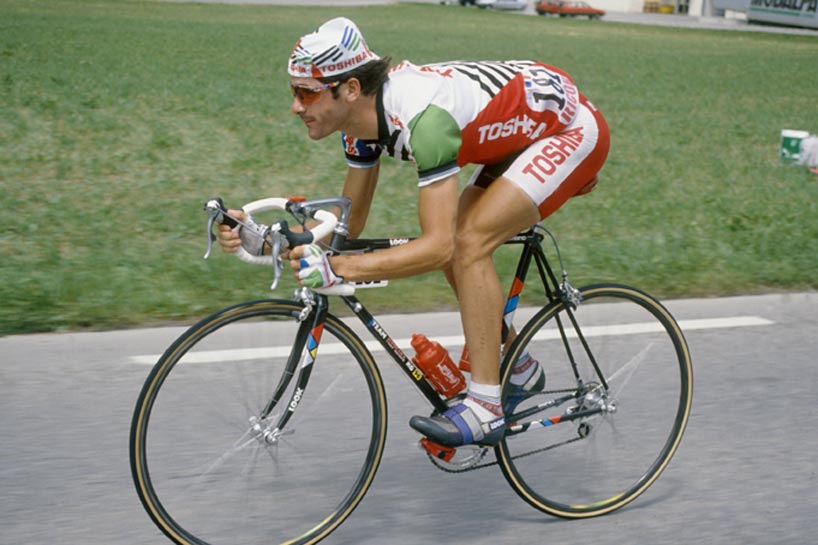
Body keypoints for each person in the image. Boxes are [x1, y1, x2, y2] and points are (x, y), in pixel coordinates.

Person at [217, 17, 610, 448]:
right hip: (519, 126)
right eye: (293, 91)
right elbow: (349, 224)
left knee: (466, 244)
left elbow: (438, 247)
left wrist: (342, 269)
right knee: (462, 240)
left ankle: (485, 409)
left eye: (305, 92)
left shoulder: (424, 121)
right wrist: (266, 240)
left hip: (569, 129)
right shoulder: (359, 127)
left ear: (350, 89)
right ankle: (519, 367)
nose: (295, 106)